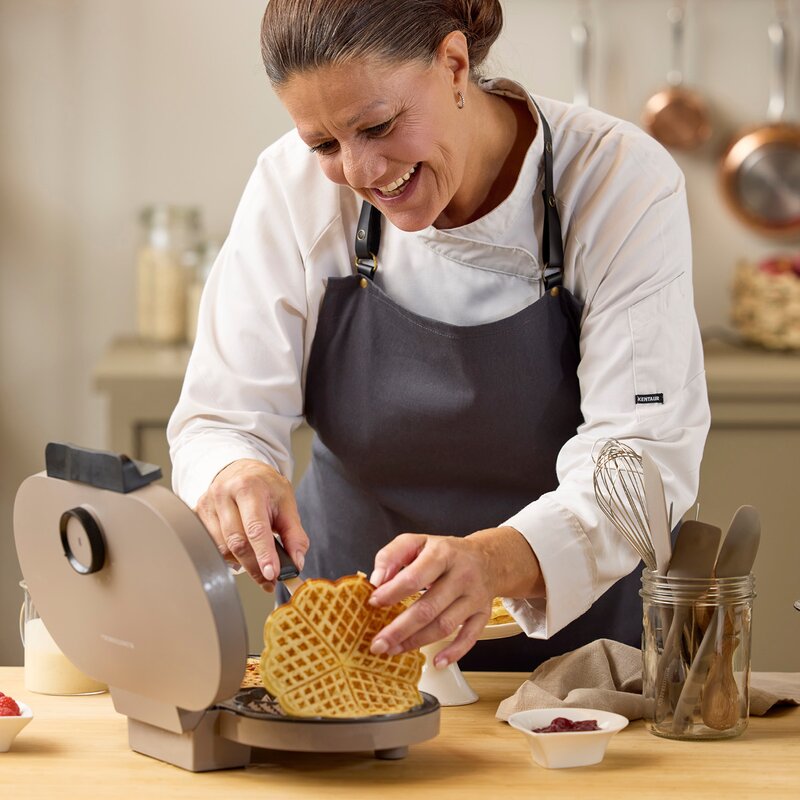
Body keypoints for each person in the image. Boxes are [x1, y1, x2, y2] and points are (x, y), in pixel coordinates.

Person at [167, 0, 710, 672]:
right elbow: (223, 415)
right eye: (325, 145)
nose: (362, 173)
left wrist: (493, 560)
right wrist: (236, 470)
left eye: (378, 125)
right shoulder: (291, 187)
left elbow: (641, 458)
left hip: (577, 666)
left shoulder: (616, 178)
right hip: (353, 655)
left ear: (455, 65)